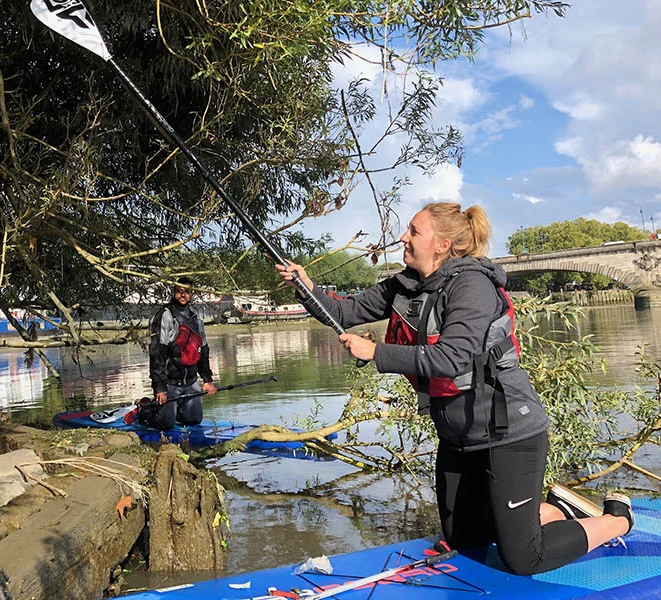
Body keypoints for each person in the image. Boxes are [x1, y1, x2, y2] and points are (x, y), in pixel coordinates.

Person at [276, 202, 633, 575]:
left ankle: (616, 520)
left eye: (413, 231)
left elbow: (451, 358)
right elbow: (345, 312)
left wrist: (376, 352)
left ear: (442, 244)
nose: (403, 237)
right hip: (458, 438)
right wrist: (305, 286)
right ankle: (555, 510)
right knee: (466, 542)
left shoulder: (471, 285)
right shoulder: (405, 285)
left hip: (508, 435)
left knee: (524, 559)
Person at [144, 277, 217, 430]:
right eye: (179, 292)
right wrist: (160, 388)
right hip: (170, 383)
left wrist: (207, 379)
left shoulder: (196, 316)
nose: (183, 295)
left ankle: (176, 411)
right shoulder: (165, 315)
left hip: (190, 382)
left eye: (187, 292)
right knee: (165, 424)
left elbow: (203, 349)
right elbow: (157, 353)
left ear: (192, 294)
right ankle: (146, 410)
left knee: (194, 420)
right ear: (173, 293)